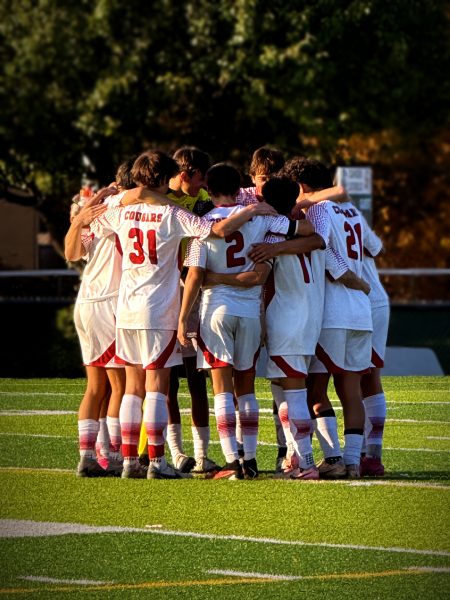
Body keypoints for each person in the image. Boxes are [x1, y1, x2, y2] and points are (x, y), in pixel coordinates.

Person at [90, 150, 278, 479]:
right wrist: (249, 210)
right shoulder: (174, 215)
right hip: (160, 308)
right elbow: (213, 230)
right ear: (164, 179)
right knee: (158, 386)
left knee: (133, 387)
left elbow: (90, 229)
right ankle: (159, 462)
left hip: (126, 308)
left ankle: (130, 460)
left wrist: (113, 202)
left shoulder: (122, 212)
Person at [178, 163, 314, 480]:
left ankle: (231, 461)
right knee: (246, 387)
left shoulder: (201, 225)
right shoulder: (260, 217)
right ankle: (250, 460)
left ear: (208, 191)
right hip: (251, 312)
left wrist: (184, 319)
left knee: (222, 389)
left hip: (216, 310)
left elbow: (195, 275)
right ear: (240, 189)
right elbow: (306, 232)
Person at [136, 147, 218, 474]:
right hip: (163, 295)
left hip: (193, 293)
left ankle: (200, 455)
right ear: (185, 175)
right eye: (199, 178)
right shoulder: (157, 201)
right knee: (166, 382)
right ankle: (174, 451)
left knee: (198, 378)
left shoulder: (204, 203)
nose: (203, 185)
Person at [65, 160, 135, 478]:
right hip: (111, 301)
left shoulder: (97, 209)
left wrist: (82, 214)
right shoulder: (122, 205)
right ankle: (113, 454)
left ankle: (87, 456)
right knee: (121, 384)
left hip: (88, 302)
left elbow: (71, 254)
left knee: (96, 387)